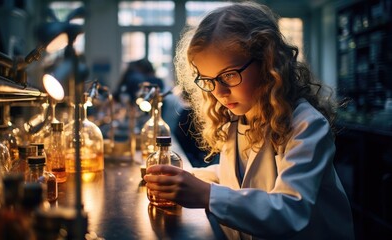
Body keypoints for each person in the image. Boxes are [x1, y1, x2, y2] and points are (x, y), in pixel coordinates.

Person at [144, 2, 355, 239]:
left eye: (229, 75)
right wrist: (191, 177)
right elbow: (242, 179)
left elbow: (290, 210)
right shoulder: (238, 116)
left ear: (268, 62)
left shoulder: (306, 125)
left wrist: (206, 194)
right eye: (209, 80)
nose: (219, 92)